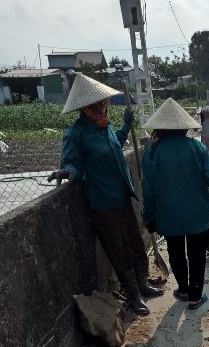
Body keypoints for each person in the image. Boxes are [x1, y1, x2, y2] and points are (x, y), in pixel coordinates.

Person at [47, 73, 162, 316]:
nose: (103, 107)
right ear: (87, 107)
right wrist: (67, 171)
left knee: (134, 241)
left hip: (121, 195)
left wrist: (125, 125)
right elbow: (73, 163)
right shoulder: (77, 133)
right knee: (117, 249)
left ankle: (143, 283)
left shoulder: (105, 125)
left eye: (104, 103)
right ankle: (134, 295)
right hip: (101, 201)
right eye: (99, 105)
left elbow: (117, 145)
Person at [141, 98, 209, 310]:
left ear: (158, 128)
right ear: (184, 127)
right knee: (196, 255)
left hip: (168, 215)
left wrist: (149, 215)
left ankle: (183, 289)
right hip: (197, 214)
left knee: (175, 253)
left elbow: (148, 190)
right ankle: (195, 296)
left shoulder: (152, 153)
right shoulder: (197, 148)